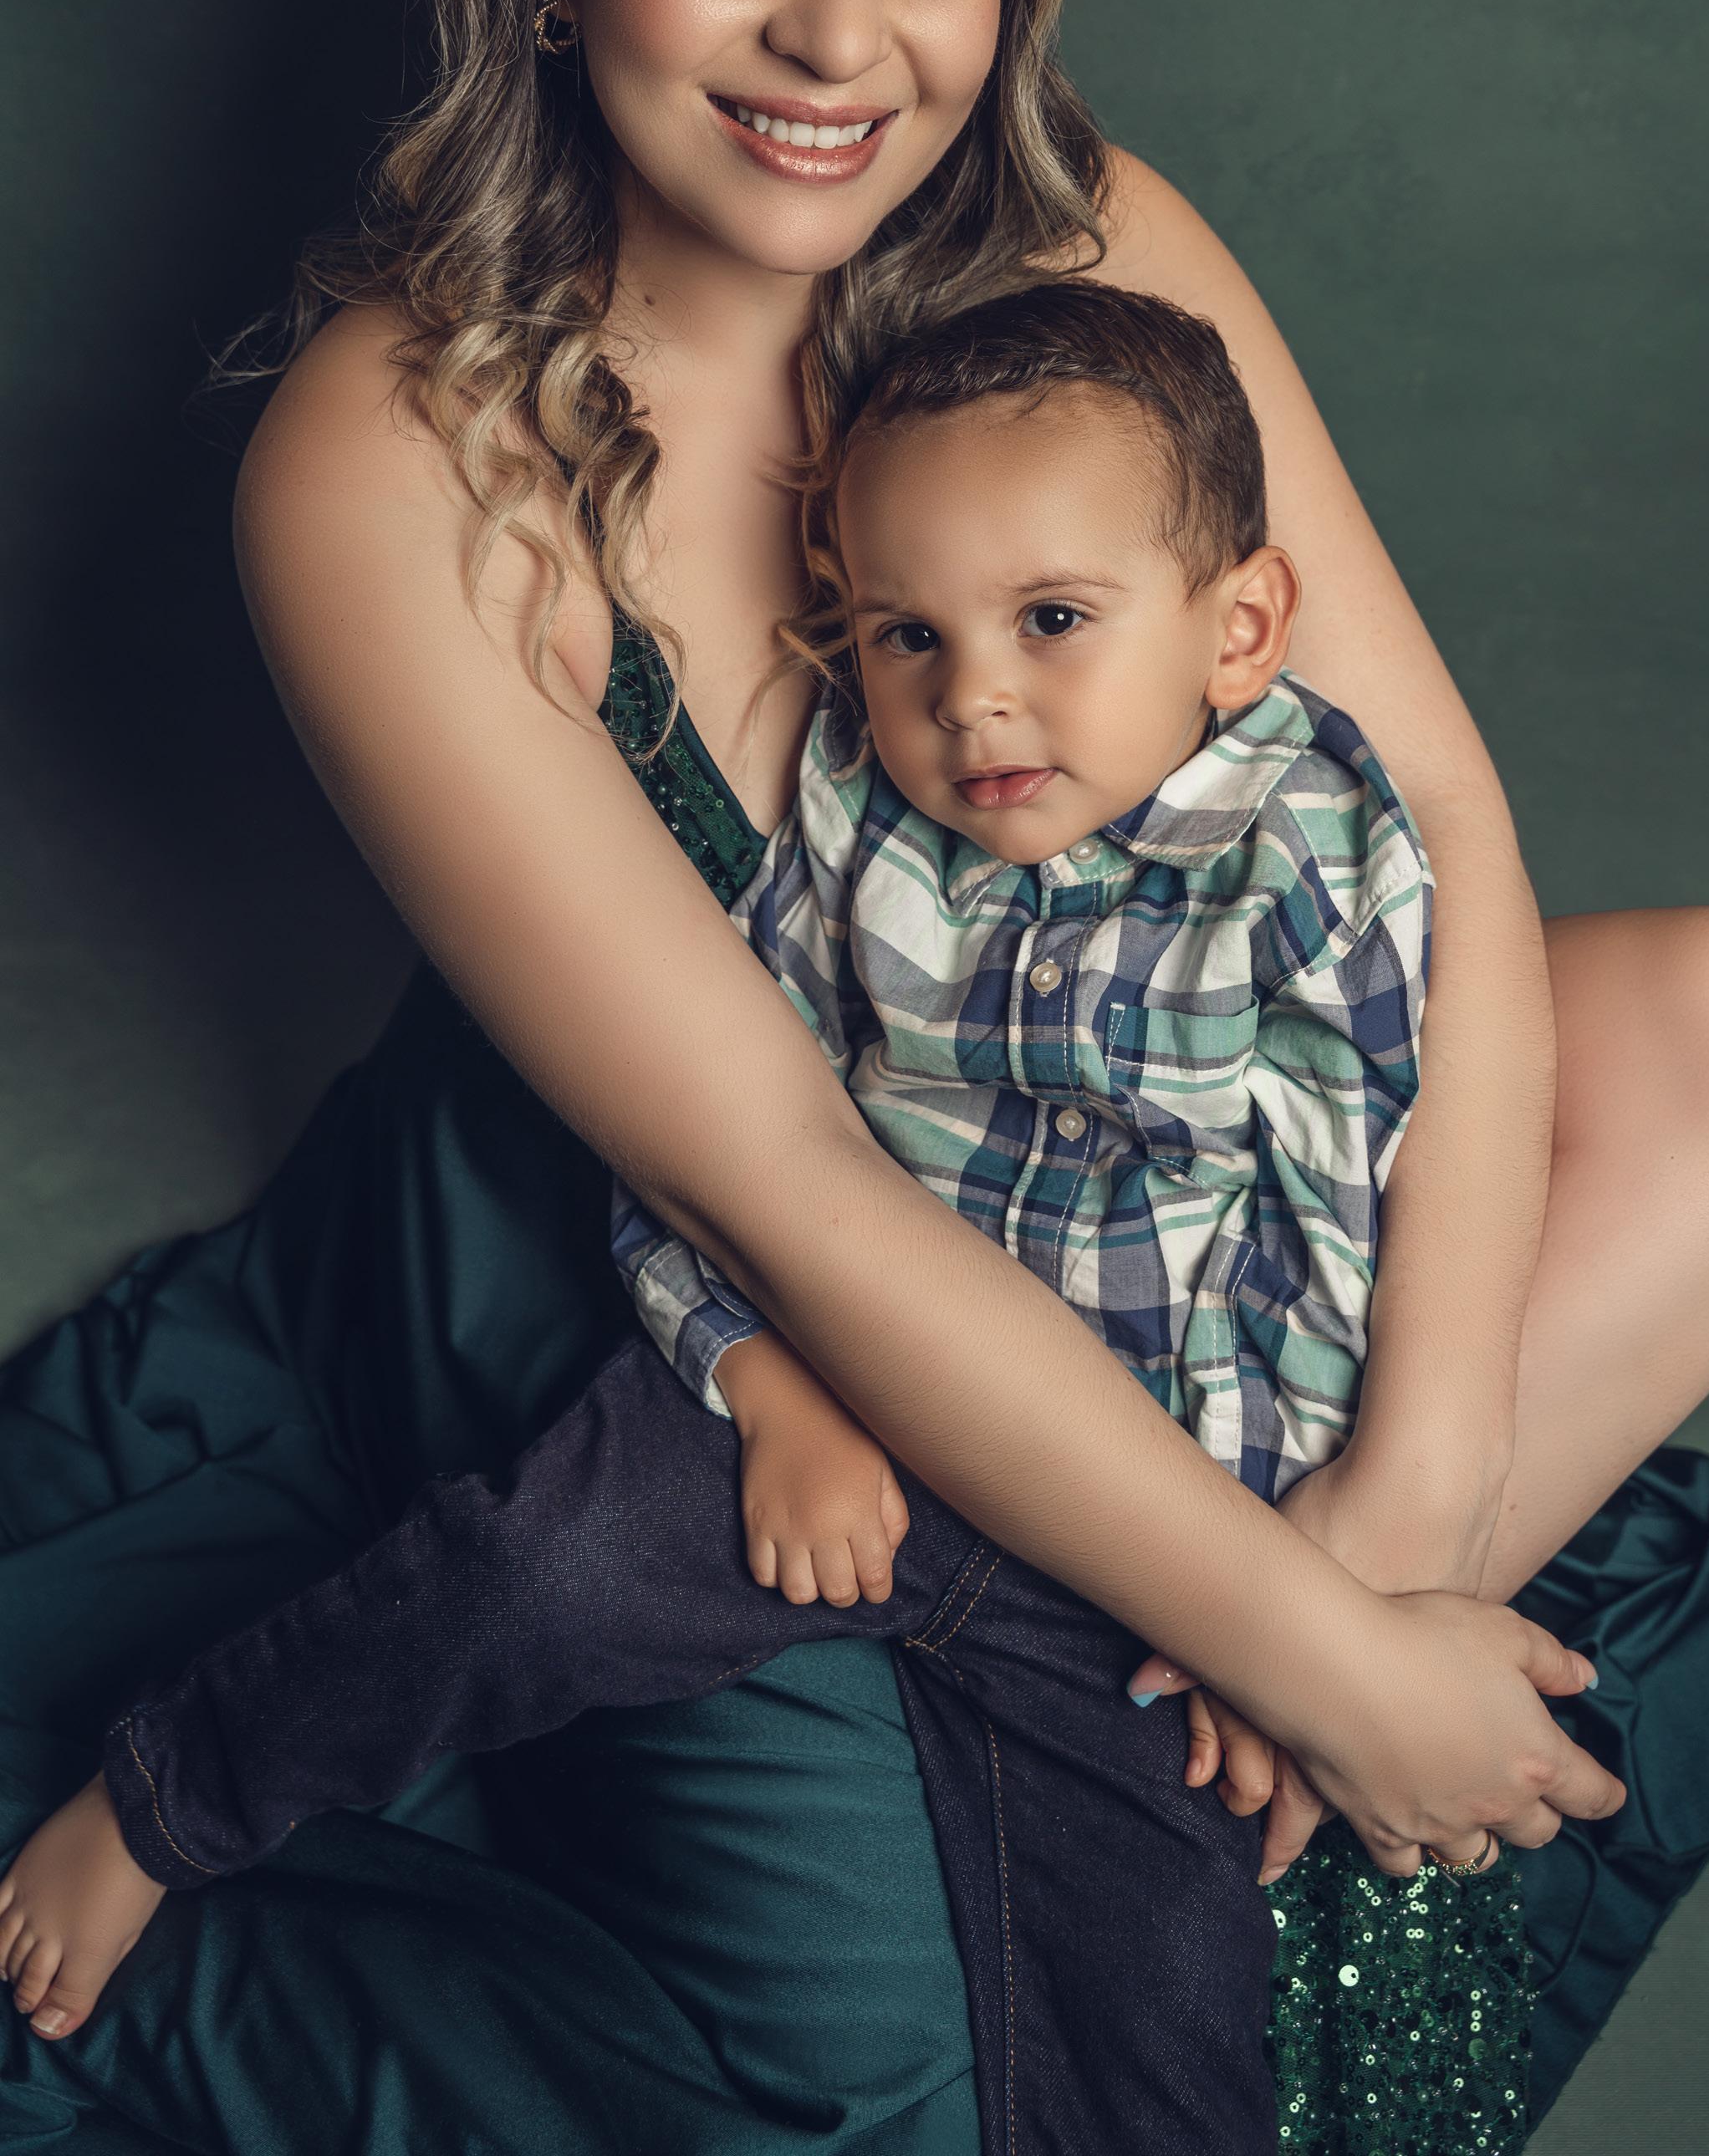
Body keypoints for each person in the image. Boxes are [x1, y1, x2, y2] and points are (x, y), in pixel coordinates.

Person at [0, 0, 1709, 2156]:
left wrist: (1400, 1514)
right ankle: (194, 1956)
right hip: (684, 1284)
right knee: (884, 2084)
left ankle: (1190, 1694)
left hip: (1118, 1135)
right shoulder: (389, 454)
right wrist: (1327, 1673)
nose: (836, 32)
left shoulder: (1090, 246)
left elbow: (1425, 817)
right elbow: (777, 1179)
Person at [8, 278, 1533, 2156]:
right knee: (533, 1571)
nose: (973, 696)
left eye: (1053, 622)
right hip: (854, 1391)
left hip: (1144, 1540)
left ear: (1240, 626)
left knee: (1167, 2017)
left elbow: (1346, 1213)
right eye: (907, 636)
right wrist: (765, 1382)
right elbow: (720, 1164)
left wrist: (1303, 1590)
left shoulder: (1312, 846)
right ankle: (165, 1799)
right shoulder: (858, 830)